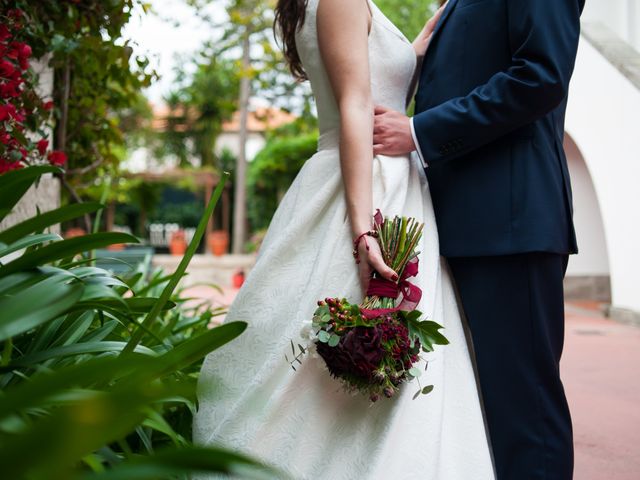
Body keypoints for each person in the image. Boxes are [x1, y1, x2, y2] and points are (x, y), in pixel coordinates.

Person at [193, 0, 494, 478]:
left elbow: (380, 87)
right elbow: (355, 103)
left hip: (391, 183)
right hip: (366, 186)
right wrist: (363, 229)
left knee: (385, 344)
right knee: (341, 338)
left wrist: (420, 47)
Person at [373, 0, 585, 478]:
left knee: (523, 409)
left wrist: (419, 132)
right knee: (486, 410)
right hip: (468, 222)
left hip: (510, 224)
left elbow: (540, 77)